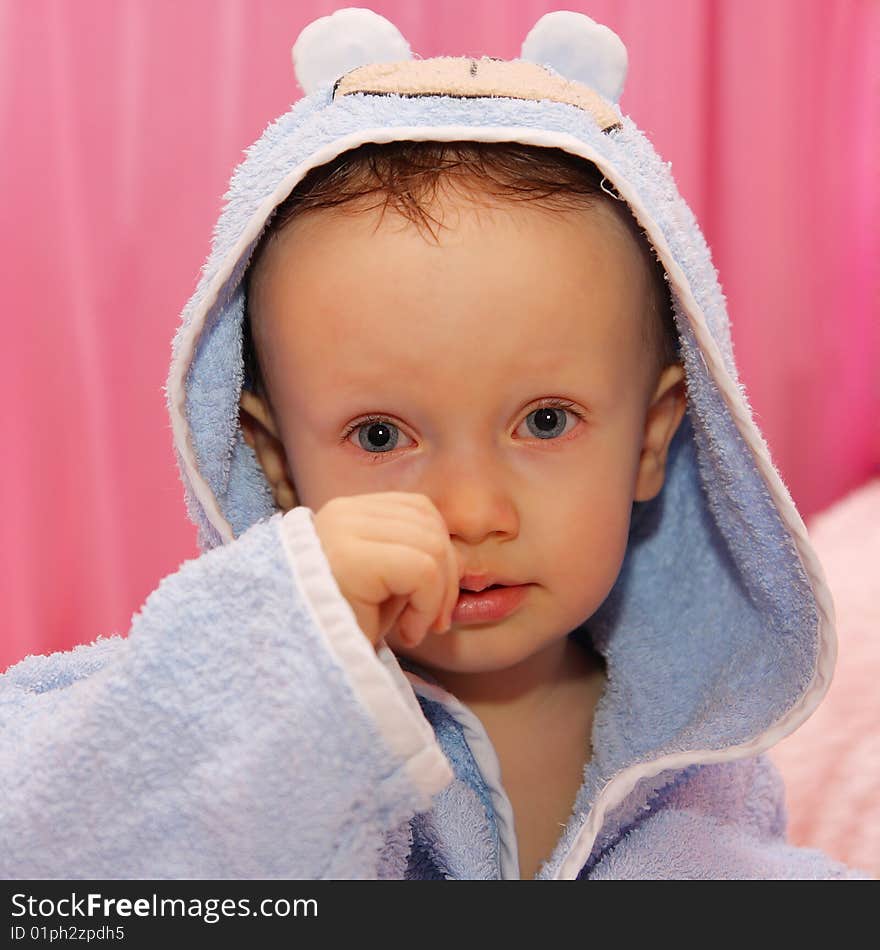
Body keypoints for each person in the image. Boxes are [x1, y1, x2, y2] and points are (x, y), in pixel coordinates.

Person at [1, 8, 870, 880]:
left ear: (650, 439)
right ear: (277, 461)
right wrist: (284, 653)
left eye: (544, 421)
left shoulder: (702, 768)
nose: (471, 511)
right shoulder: (204, 709)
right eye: (380, 436)